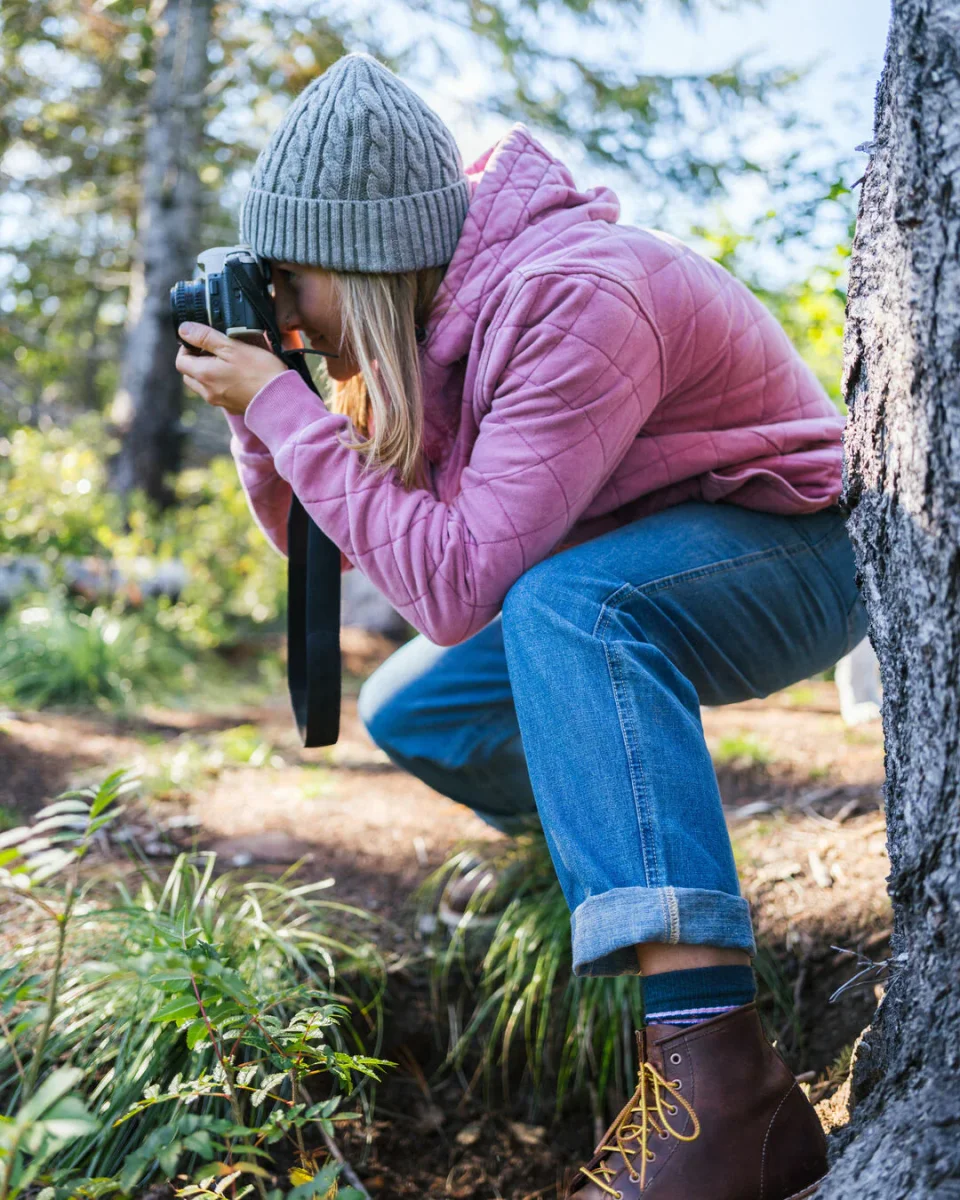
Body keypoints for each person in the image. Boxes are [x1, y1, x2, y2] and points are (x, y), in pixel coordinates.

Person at [175, 50, 866, 1200]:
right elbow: (344, 546)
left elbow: (450, 587)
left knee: (566, 604)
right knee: (420, 706)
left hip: (795, 553)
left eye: (296, 281)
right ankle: (644, 874)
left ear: (372, 261)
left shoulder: (570, 298)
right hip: (641, 566)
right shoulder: (428, 329)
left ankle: (719, 1086)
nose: (286, 306)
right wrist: (271, 411)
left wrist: (286, 405)